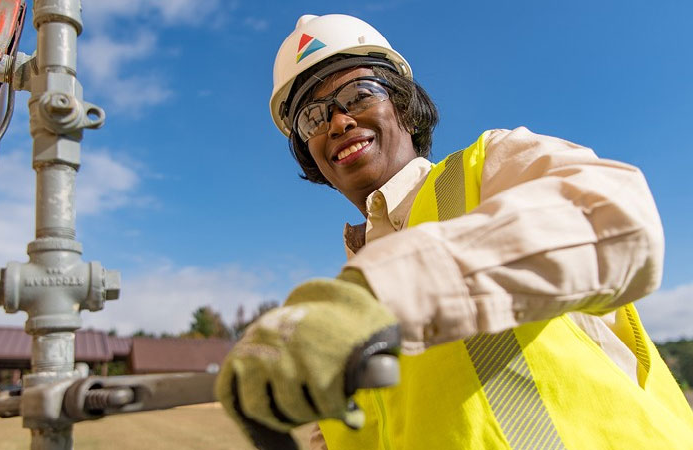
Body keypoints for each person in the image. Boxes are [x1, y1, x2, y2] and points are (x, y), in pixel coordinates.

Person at [216, 13, 693, 450]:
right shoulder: (334, 320)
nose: (339, 121)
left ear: (402, 106)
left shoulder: (490, 168)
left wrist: (377, 296)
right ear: (310, 152)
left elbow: (618, 219)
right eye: (314, 117)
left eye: (359, 94)